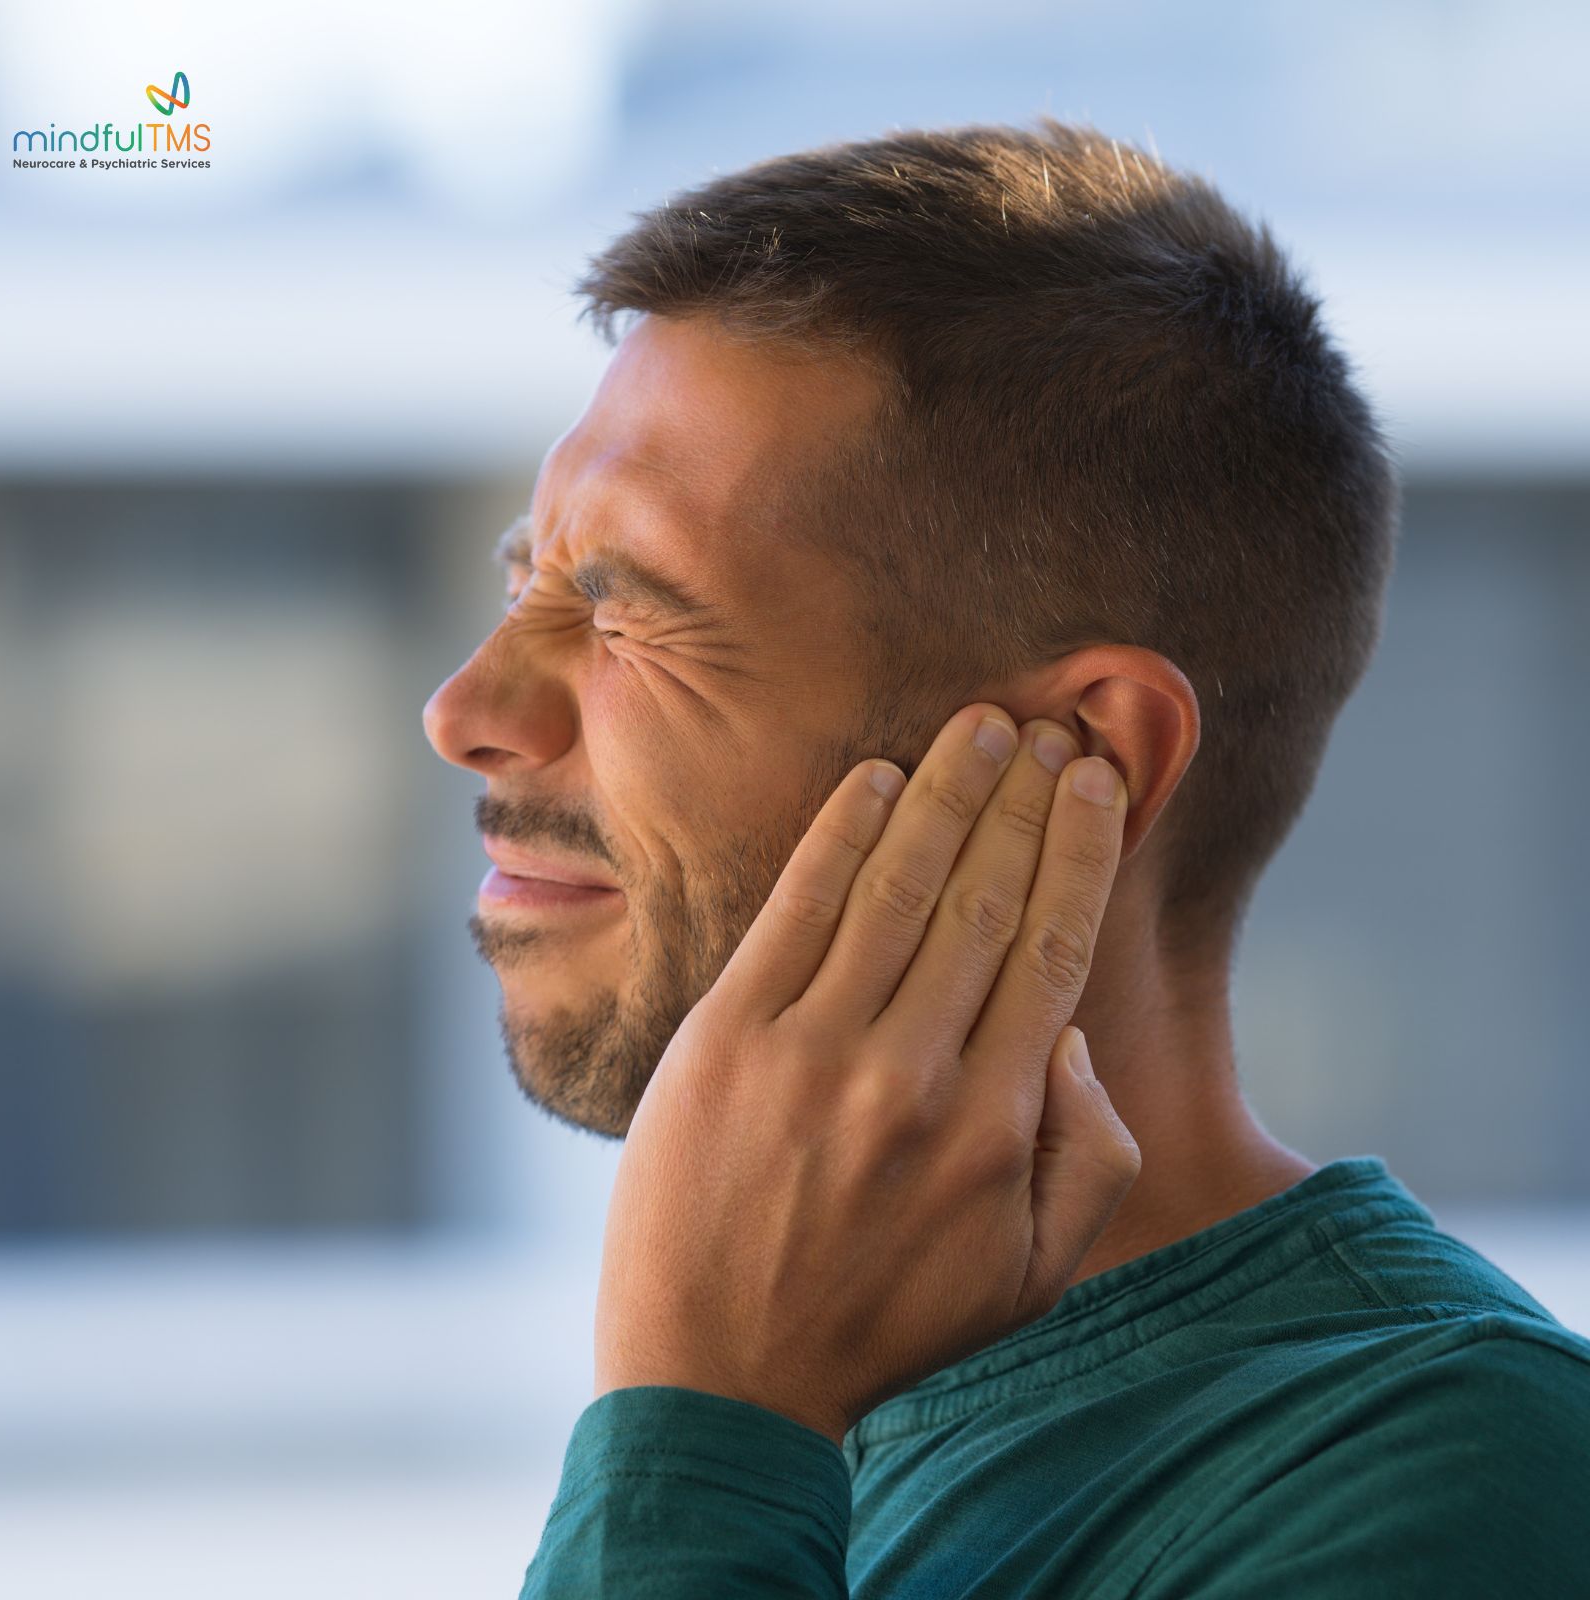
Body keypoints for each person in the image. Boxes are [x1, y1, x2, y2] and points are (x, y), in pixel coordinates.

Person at [422, 117, 1590, 1597]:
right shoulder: (814, 1398)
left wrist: (697, 1439)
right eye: (524, 583)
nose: (467, 712)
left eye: (630, 610)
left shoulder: (1457, 1483)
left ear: (1084, 759)